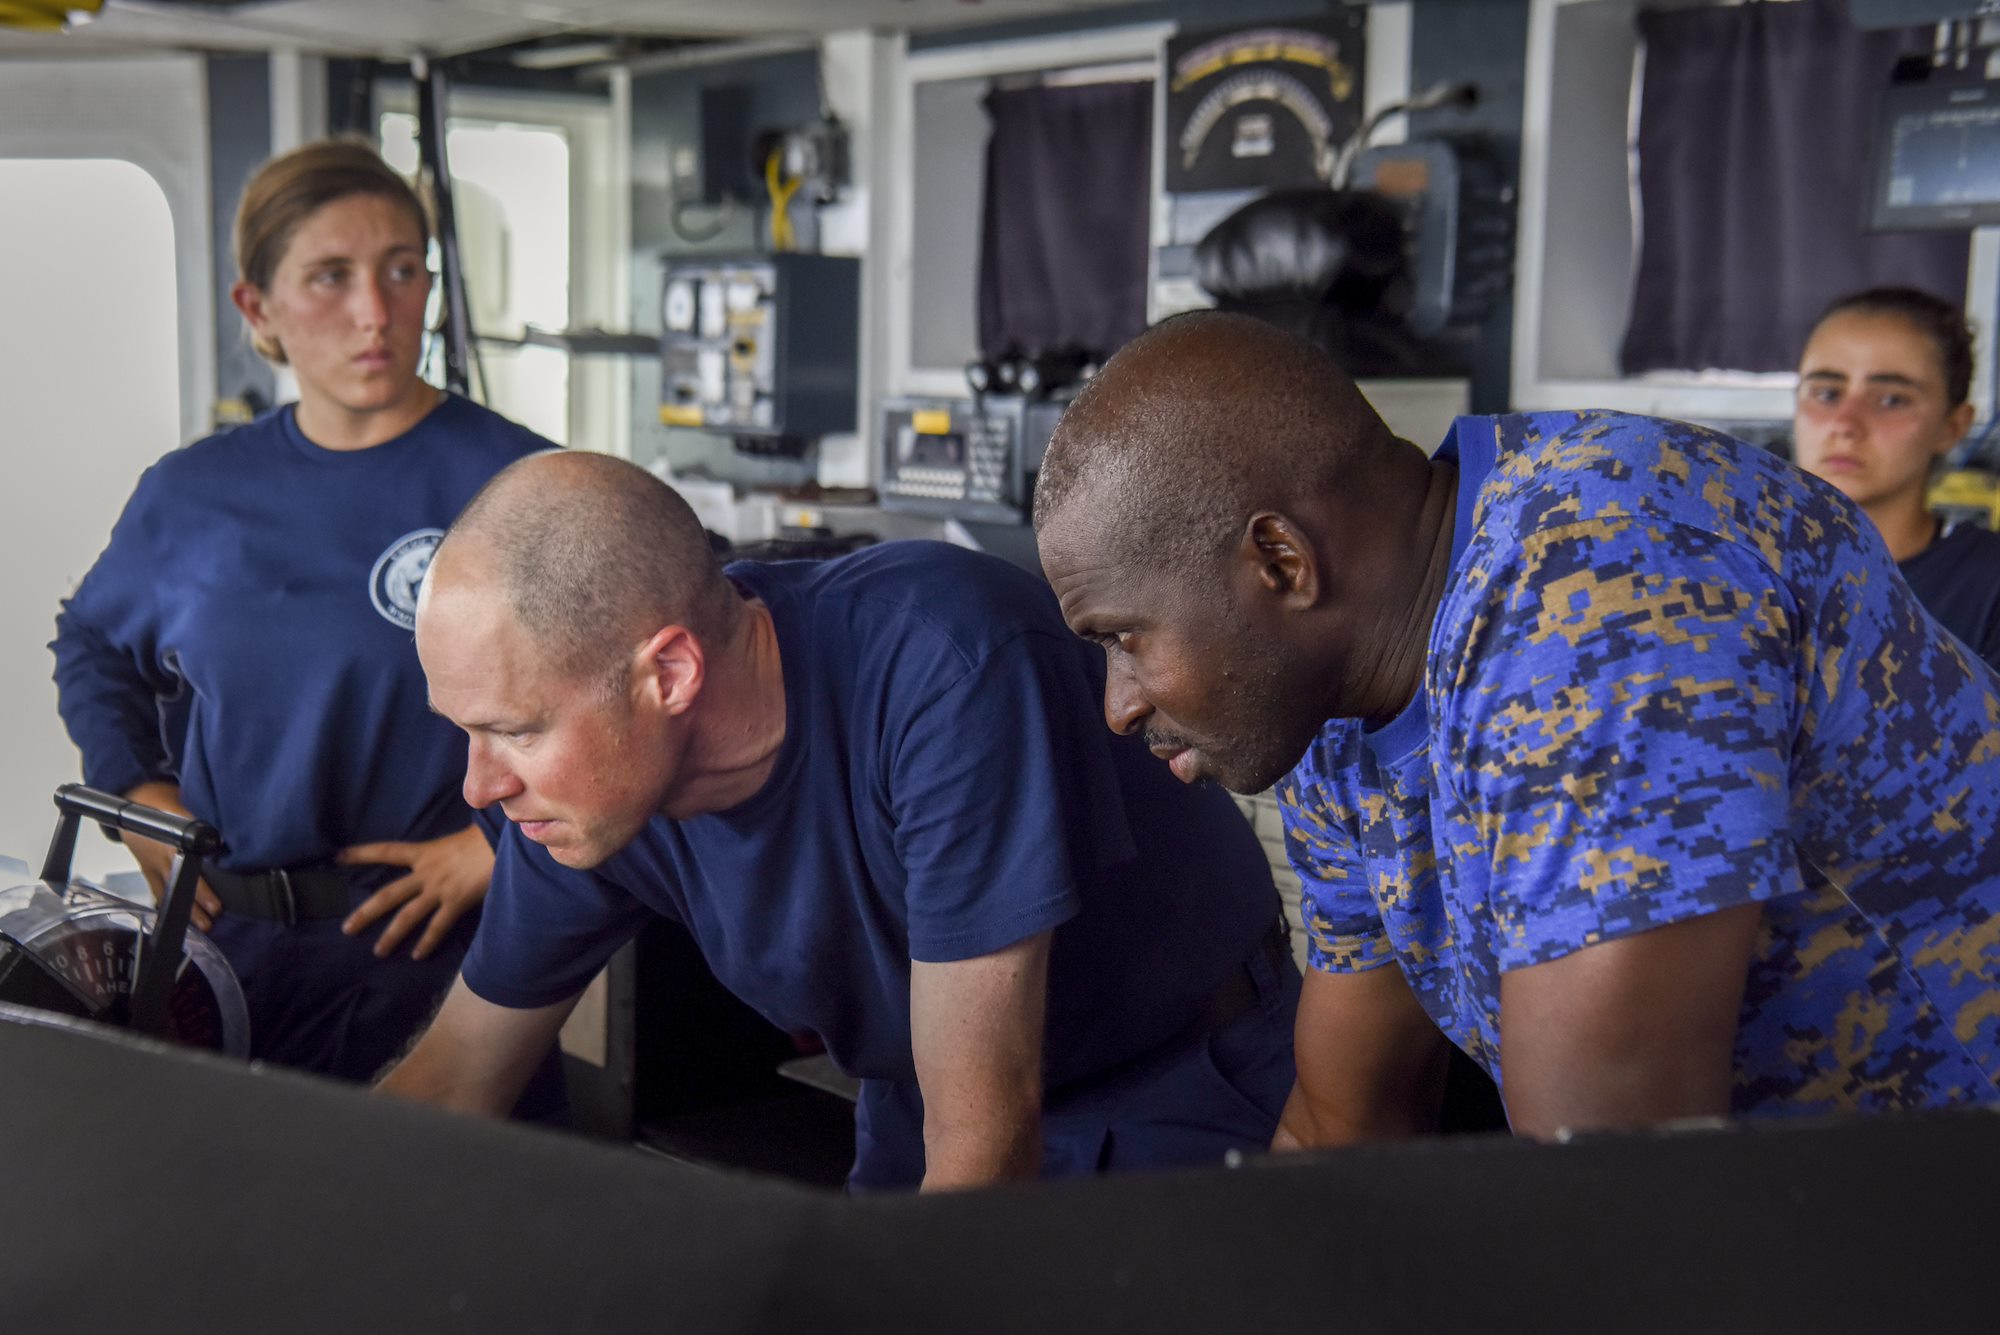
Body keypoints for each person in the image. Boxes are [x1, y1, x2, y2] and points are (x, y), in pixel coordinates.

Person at [1033, 310, 2000, 1146]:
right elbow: (1345, 1123)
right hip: (1793, 1220)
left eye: (1123, 638)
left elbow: (1611, 1183)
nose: (1119, 704)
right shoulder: (1335, 717)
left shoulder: (1594, 581)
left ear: (1281, 562)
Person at [379, 449, 1298, 1192]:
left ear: (670, 675)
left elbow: (985, 1146)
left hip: (1173, 1085)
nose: (478, 787)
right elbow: (460, 1076)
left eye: (513, 730)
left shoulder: (943, 668)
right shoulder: (579, 794)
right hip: (918, 1106)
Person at [51, 140, 561, 1101]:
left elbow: (629, 688)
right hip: (220, 953)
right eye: (331, 277)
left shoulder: (521, 484)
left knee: (461, 1234)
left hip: (440, 958)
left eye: (403, 270)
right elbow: (91, 643)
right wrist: (138, 799)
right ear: (260, 308)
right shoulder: (192, 494)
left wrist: (499, 845)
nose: (376, 312)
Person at [1793, 286, 2000, 670]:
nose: (1845, 424)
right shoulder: (1734, 570)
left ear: (1953, 426)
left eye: (1891, 399)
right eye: (1826, 393)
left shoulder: (1987, 586)